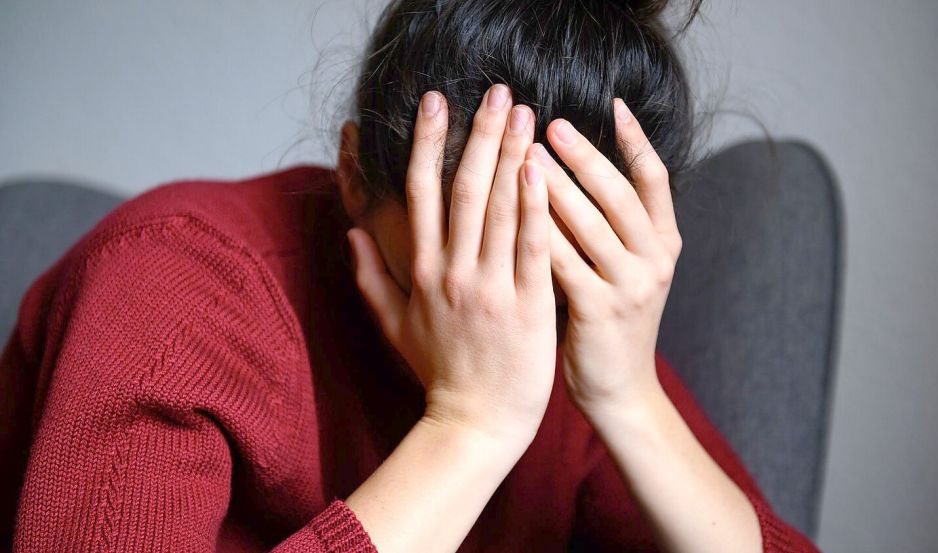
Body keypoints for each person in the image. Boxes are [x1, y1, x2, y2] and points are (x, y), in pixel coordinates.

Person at [0, 0, 820, 551]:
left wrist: (627, 397)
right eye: (461, 263)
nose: (511, 312)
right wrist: (470, 423)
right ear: (355, 175)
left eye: (561, 281)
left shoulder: (592, 337)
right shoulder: (169, 282)